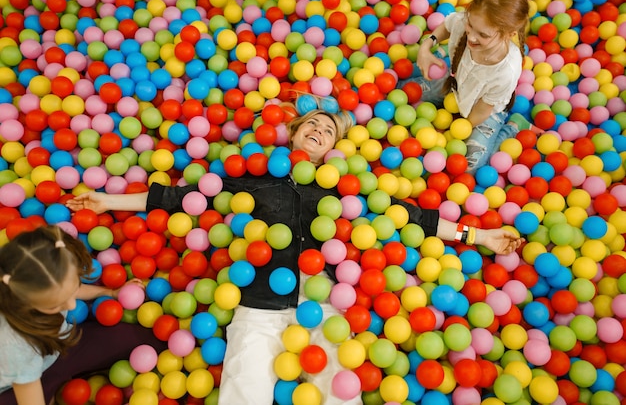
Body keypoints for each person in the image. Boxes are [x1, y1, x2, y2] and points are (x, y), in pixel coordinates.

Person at [67, 103, 524, 404]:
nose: (320, 131)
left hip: (324, 302)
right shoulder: (255, 179)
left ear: (333, 148)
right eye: (313, 124)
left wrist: (478, 236)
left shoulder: (347, 189)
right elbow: (178, 197)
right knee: (243, 389)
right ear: (293, 133)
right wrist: (108, 202)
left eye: (328, 131)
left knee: (338, 391)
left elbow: (412, 217)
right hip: (260, 301)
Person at [0, 225, 166, 405]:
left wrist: (110, 293)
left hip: (59, 349)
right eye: (56, 304)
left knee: (152, 339)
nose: (71, 305)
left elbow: (68, 289)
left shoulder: (48, 275)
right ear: (22, 302)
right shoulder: (14, 343)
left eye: (71, 292)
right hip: (15, 383)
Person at [400, 0, 539, 172]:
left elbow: (482, 110)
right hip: (455, 86)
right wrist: (426, 46)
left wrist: (453, 132)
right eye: (471, 26)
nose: (471, 36)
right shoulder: (465, 21)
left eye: (483, 35)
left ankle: (513, 126)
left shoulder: (506, 70)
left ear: (510, 34)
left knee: (470, 167)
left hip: (484, 111)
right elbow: (447, 26)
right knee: (403, 91)